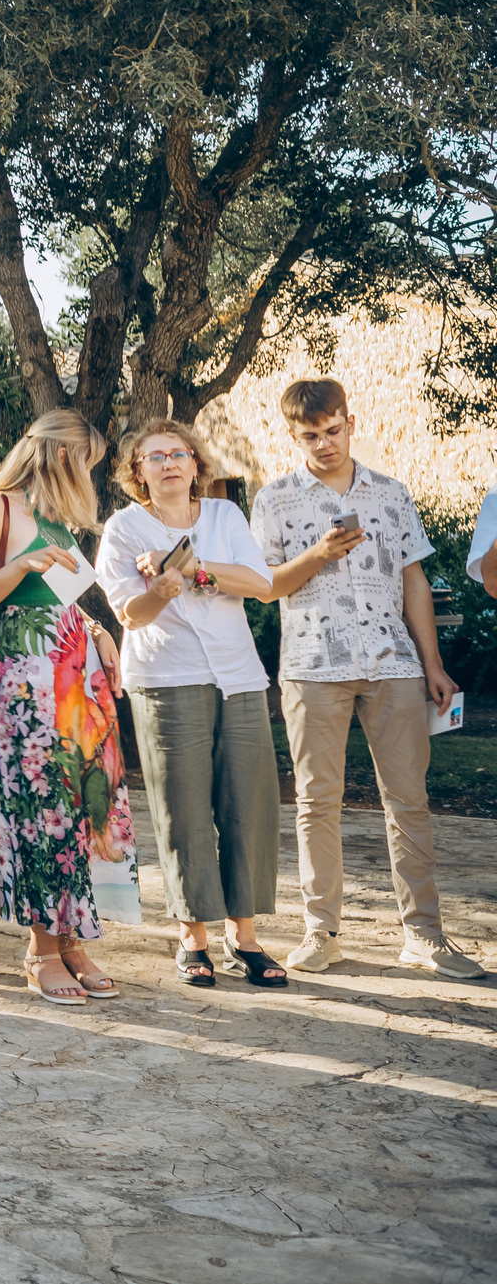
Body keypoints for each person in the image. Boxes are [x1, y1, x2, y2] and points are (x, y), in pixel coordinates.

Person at [251, 379, 485, 979]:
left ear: (350, 422)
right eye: (311, 435)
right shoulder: (274, 499)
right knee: (316, 804)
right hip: (311, 668)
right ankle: (320, 931)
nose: (324, 443)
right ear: (293, 435)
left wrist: (433, 665)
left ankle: (424, 935)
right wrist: (319, 556)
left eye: (333, 430)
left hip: (394, 664)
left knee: (409, 801)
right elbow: (265, 586)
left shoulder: (390, 493)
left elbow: (414, 583)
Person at [0, 409, 140, 1006]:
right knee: (42, 807)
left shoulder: (59, 520)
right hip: (26, 683)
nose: (89, 473)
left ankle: (75, 939)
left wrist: (98, 630)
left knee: (86, 805)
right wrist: (19, 563)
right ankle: (42, 949)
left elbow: (57, 600)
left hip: (75, 677)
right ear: (65, 455)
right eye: (87, 461)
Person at [99, 419, 283, 989]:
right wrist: (158, 588)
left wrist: (193, 566)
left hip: (239, 677)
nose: (170, 464)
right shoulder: (123, 529)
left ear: (195, 464)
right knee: (183, 810)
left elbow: (261, 582)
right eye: (155, 457)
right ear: (138, 473)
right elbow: (129, 615)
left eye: (178, 454)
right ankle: (192, 939)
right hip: (167, 677)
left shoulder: (225, 515)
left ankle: (244, 938)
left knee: (248, 805)